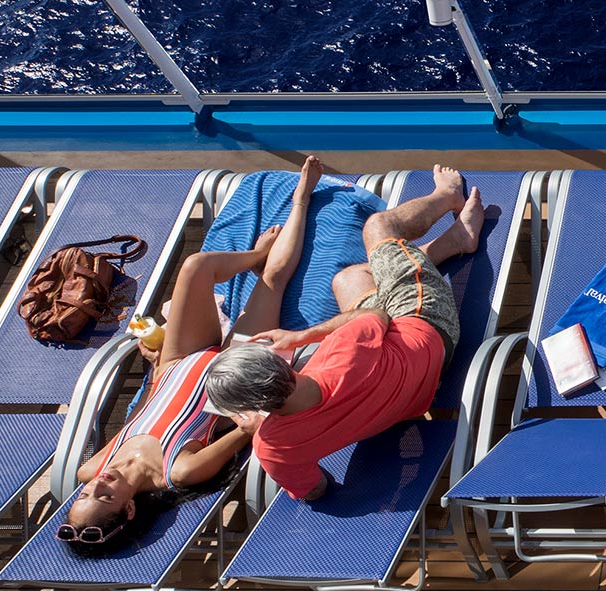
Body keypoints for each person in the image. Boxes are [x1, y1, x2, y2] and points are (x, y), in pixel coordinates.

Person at [61, 156, 321, 555]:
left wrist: (155, 368)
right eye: (105, 497)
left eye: (84, 495)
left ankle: (255, 255)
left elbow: (142, 416)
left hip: (175, 364)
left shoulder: (90, 468)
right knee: (273, 280)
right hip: (231, 375)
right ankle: (303, 197)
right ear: (129, 509)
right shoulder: (178, 472)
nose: (97, 485)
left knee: (195, 266)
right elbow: (247, 431)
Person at [201, 164, 485, 502]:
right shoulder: (345, 352)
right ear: (276, 361)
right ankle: (447, 196)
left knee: (348, 279)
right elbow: (378, 316)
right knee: (378, 227)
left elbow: (314, 489)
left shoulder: (271, 447)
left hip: (407, 397)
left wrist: (264, 428)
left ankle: (452, 242)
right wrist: (301, 337)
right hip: (429, 324)